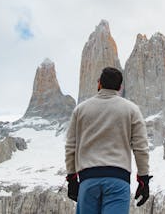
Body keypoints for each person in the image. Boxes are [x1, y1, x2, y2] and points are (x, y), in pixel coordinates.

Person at [65, 67, 151, 214]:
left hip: (88, 180)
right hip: (118, 180)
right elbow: (140, 147)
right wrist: (143, 179)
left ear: (99, 84)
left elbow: (70, 147)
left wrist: (72, 179)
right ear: (120, 87)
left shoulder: (80, 110)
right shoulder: (131, 109)